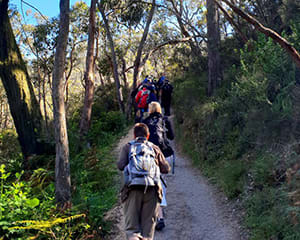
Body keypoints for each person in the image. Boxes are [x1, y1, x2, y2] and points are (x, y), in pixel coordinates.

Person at [117, 123, 170, 240]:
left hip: (132, 190)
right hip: (152, 190)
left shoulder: (128, 147)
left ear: (134, 135)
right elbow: (166, 169)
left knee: (132, 230)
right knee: (148, 232)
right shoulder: (154, 148)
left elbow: (120, 165)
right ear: (148, 135)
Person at [142, 102, 174, 231]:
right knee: (161, 181)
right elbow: (171, 136)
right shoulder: (165, 120)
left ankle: (158, 211)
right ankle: (160, 213)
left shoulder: (145, 121)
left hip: (150, 155)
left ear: (149, 110)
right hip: (165, 154)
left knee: (154, 182)